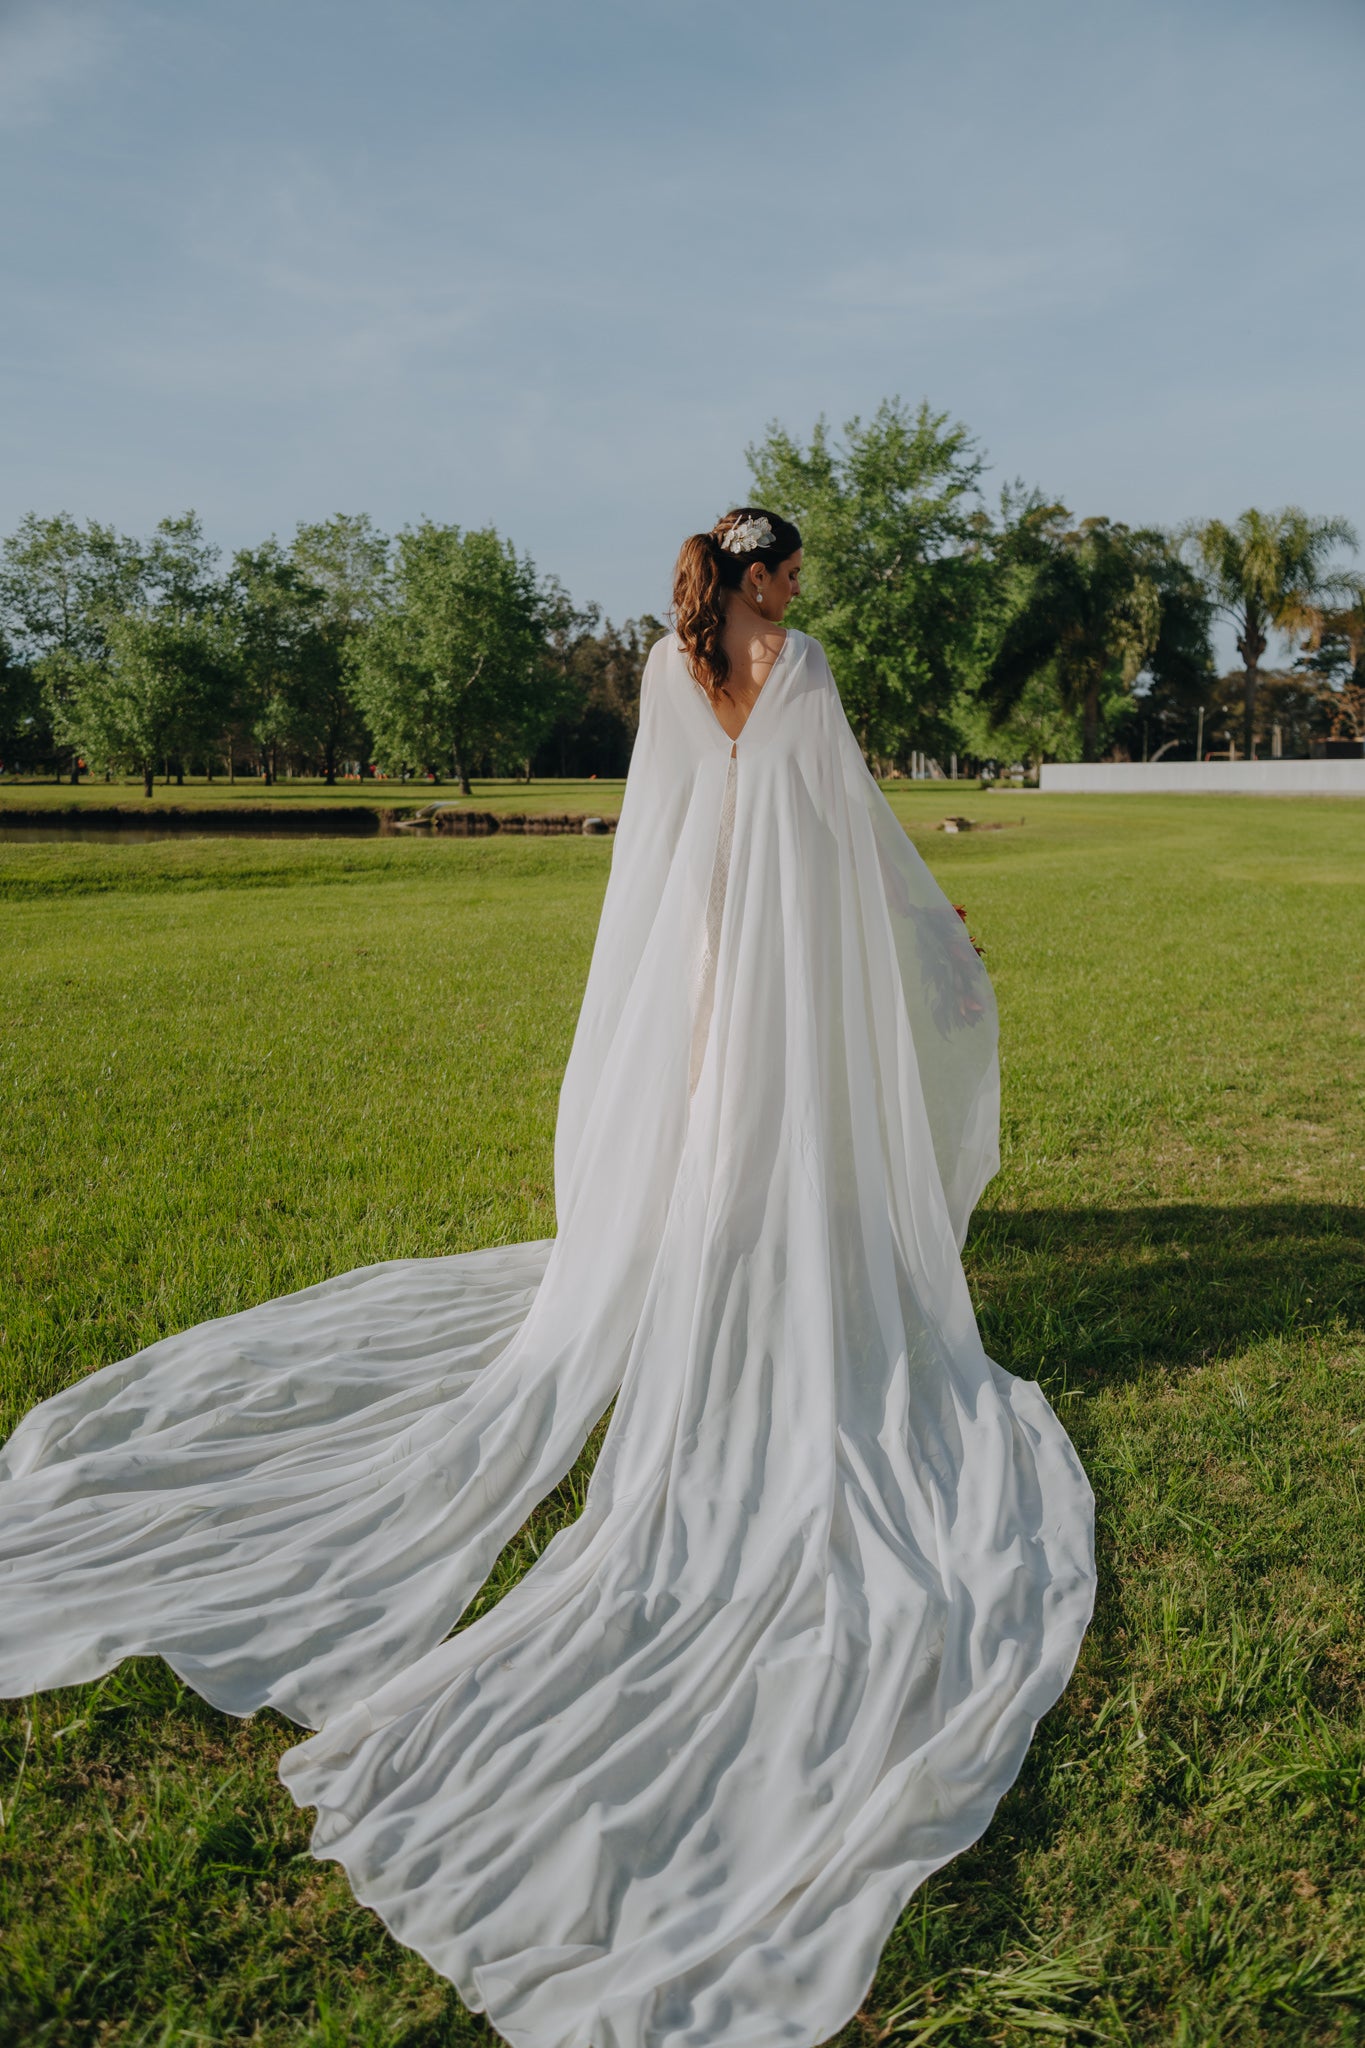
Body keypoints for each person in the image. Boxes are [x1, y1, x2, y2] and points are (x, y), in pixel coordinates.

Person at [0, 509, 1095, 2048]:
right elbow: (841, 817)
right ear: (762, 573)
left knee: (721, 1108)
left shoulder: (667, 663)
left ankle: (725, 1232)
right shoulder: (802, 663)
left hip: (712, 935)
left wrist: (695, 953)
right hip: (779, 932)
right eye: (785, 567)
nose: (793, 587)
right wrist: (922, 926)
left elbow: (673, 832)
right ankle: (766, 1249)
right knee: (778, 1103)